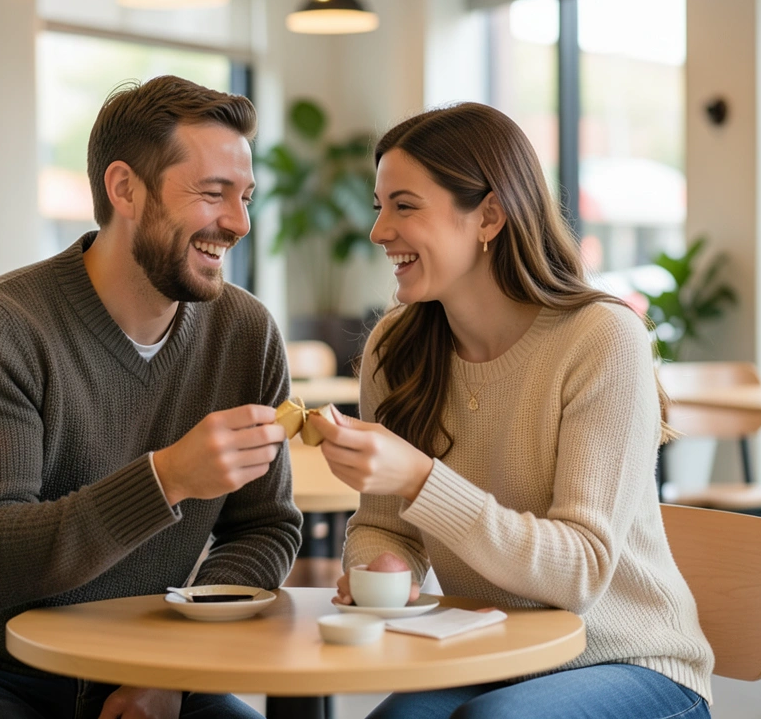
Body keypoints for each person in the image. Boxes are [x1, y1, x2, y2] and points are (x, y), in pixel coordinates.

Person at [0, 75, 302, 719]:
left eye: (245, 197)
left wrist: (171, 666)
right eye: (212, 194)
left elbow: (266, 527)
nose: (237, 223)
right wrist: (166, 479)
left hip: (142, 662)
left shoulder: (245, 332)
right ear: (124, 188)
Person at [306, 103, 714, 719]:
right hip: (497, 655)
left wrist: (420, 477)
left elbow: (580, 573)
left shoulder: (601, 338)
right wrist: (380, 565)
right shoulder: (396, 347)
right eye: (379, 206)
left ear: (489, 216)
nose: (379, 231)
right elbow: (384, 524)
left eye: (404, 206)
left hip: (632, 661)